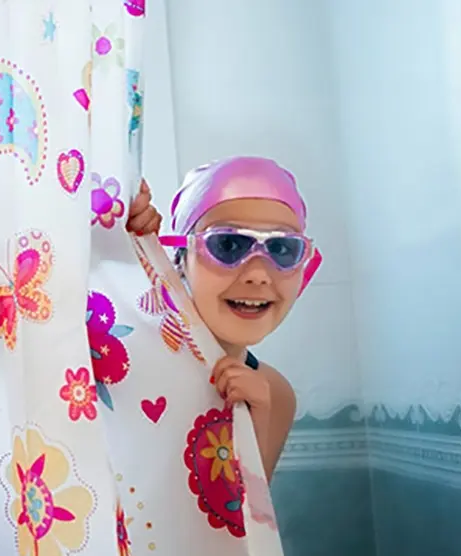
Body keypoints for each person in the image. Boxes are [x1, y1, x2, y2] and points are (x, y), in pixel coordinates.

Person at [124, 157, 319, 480]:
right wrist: (109, 241)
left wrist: (253, 423)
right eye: (228, 244)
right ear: (180, 258)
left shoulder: (275, 394)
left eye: (283, 249)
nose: (258, 274)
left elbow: (251, 526)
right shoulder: (120, 361)